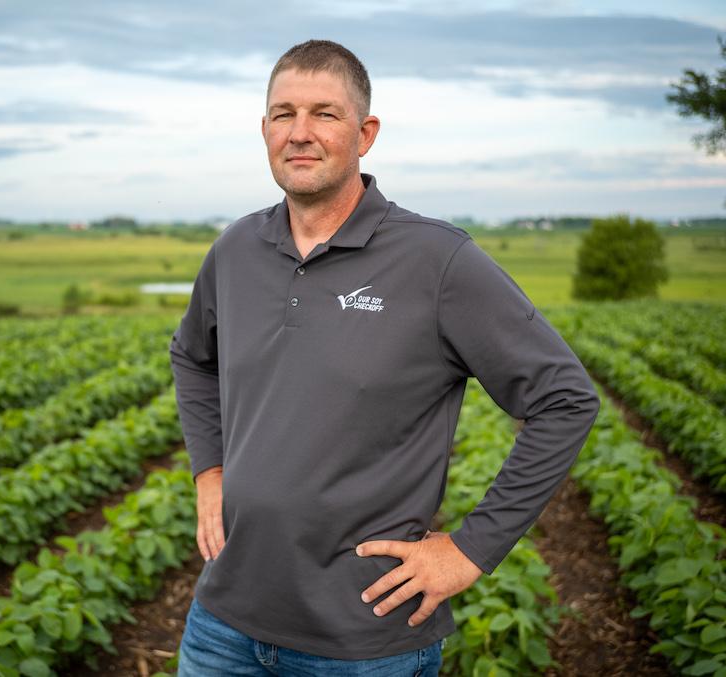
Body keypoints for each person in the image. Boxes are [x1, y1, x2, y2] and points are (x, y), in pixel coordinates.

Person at [169, 39, 600, 676]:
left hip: (362, 641)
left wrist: (470, 550)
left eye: (325, 114)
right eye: (283, 114)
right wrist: (210, 470)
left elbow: (565, 399)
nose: (300, 133)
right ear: (264, 130)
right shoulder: (236, 250)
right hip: (222, 626)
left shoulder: (437, 261)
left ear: (366, 134)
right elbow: (192, 357)